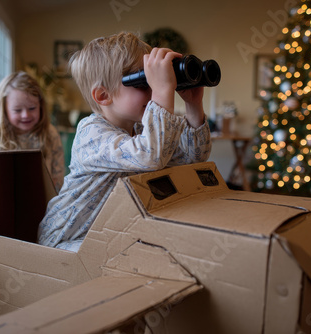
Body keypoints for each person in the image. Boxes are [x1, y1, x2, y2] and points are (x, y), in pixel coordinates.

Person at [38, 32, 212, 252]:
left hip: (104, 234)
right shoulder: (90, 133)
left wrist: (193, 105)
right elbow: (150, 157)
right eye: (144, 83)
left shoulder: (141, 129)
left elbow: (193, 157)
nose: (153, 91)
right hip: (64, 240)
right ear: (103, 95)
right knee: (137, 255)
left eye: (154, 81)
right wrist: (161, 89)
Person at [0, 71, 64, 191]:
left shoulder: (50, 134)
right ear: (4, 110)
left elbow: (58, 176)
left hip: (44, 202)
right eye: (17, 110)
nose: (25, 115)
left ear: (40, 106)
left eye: (32, 108)